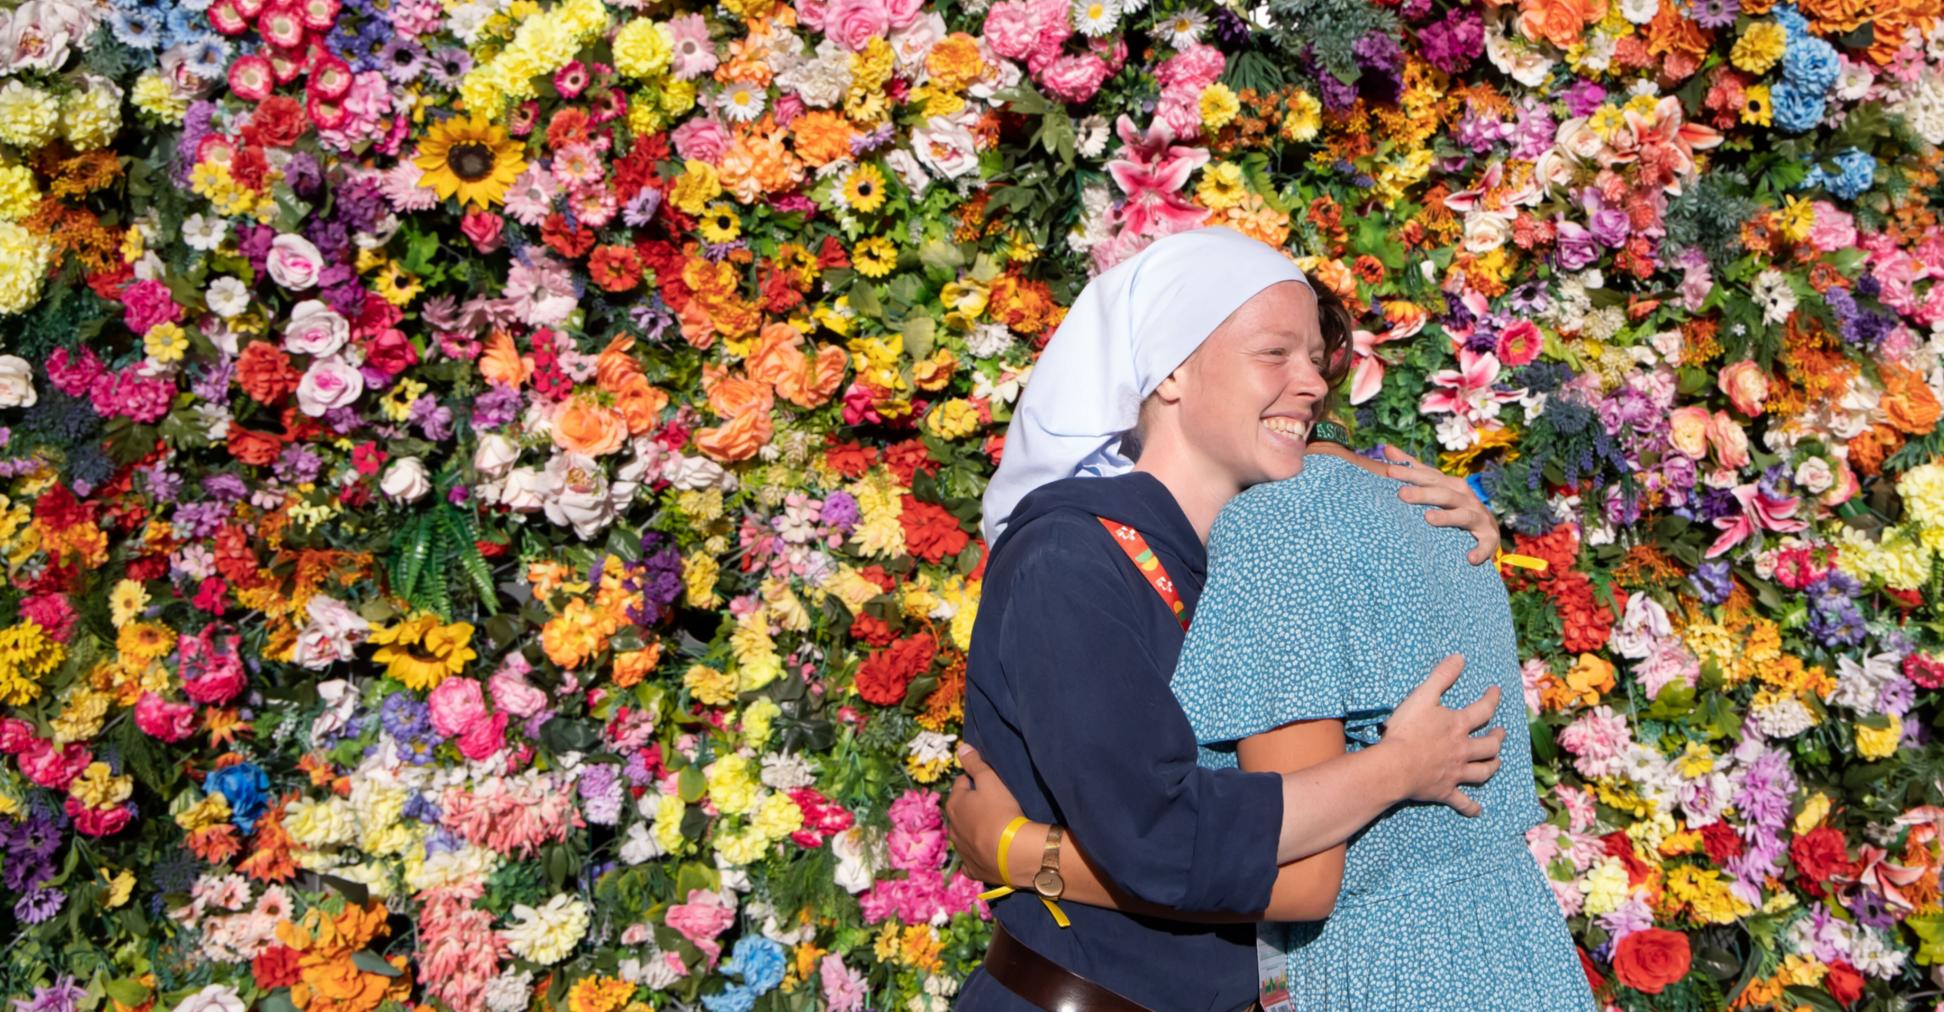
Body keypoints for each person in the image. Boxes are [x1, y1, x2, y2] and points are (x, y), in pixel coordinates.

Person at [950, 226, 1510, 1011]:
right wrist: (1396, 769)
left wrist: (1444, 521)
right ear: (1172, 370)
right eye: (1274, 354)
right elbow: (1159, 832)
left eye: (1316, 359)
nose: (1312, 383)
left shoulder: (1262, 554)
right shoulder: (1070, 558)